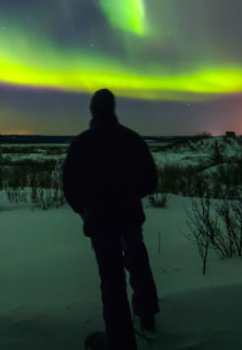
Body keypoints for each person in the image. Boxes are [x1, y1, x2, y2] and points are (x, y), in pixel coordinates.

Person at [62, 89, 160, 350]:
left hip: (100, 221)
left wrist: (85, 209)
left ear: (93, 110)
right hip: (129, 218)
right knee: (138, 261)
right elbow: (150, 180)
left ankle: (120, 342)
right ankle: (147, 317)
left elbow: (70, 187)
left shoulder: (82, 142)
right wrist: (131, 196)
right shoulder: (131, 139)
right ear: (113, 109)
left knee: (112, 278)